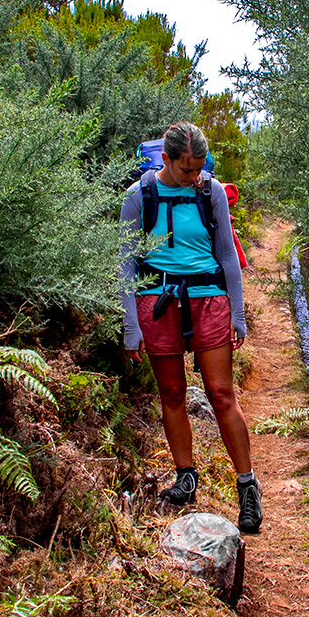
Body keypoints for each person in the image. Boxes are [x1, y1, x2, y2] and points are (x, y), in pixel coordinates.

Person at [120, 122, 261, 534]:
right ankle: (186, 476)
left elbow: (227, 255)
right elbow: (125, 264)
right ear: (165, 159)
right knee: (172, 393)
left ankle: (247, 487)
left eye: (199, 168)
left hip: (208, 299)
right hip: (157, 302)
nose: (194, 176)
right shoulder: (138, 196)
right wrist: (130, 324)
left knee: (221, 394)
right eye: (186, 169)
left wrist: (238, 313)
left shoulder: (210, 192)